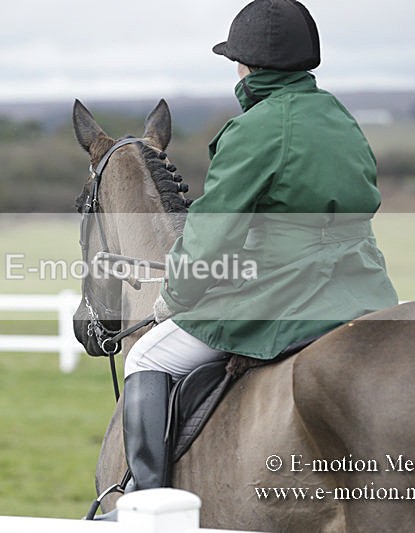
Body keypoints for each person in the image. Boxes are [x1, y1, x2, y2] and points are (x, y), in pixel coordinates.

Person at [120, 0, 398, 504]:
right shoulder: (339, 117)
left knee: (146, 356)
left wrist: (175, 296)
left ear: (247, 66)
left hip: (286, 294)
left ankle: (148, 504)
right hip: (364, 287)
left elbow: (213, 230)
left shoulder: (255, 129)